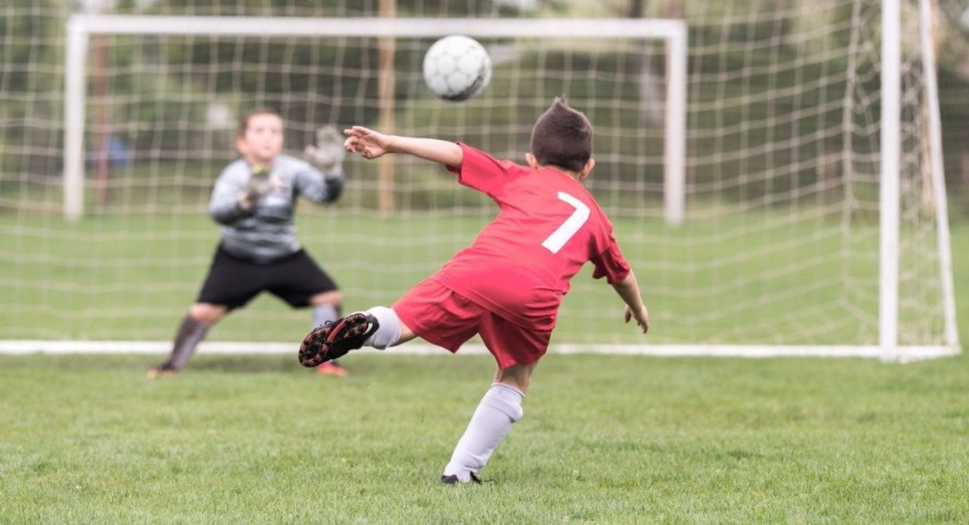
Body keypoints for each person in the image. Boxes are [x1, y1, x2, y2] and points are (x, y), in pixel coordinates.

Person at [297, 98, 650, 483]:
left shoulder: (520, 176)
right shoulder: (597, 218)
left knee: (400, 323)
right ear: (588, 168)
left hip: (478, 270)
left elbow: (456, 153)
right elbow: (622, 275)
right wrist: (639, 306)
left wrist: (391, 143)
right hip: (534, 295)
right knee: (515, 377)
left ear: (532, 159)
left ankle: (366, 325)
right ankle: (460, 472)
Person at [149, 109, 350, 378]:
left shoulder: (292, 169)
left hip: (285, 256)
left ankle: (326, 362)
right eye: (259, 131)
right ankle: (171, 366)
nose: (268, 137)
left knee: (329, 297)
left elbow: (326, 196)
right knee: (203, 312)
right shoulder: (233, 175)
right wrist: (245, 201)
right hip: (238, 258)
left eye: (274, 131)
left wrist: (332, 172)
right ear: (242, 142)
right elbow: (217, 213)